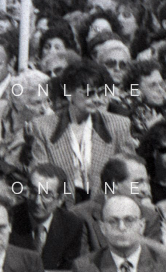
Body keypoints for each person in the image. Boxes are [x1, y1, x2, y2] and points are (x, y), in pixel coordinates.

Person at [27, 62, 136, 202]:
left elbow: (130, 174)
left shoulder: (118, 125)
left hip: (104, 205)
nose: (97, 100)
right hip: (61, 205)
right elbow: (40, 175)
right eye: (89, 94)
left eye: (101, 93)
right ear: (68, 93)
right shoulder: (43, 127)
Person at [71, 195, 166, 272]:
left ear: (141, 226)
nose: (121, 227)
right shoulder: (84, 268)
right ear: (103, 228)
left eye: (129, 220)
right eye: (113, 221)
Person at [9, 163, 89, 272]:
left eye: (46, 195)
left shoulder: (72, 224)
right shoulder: (10, 218)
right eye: (33, 192)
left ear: (60, 199)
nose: (37, 201)